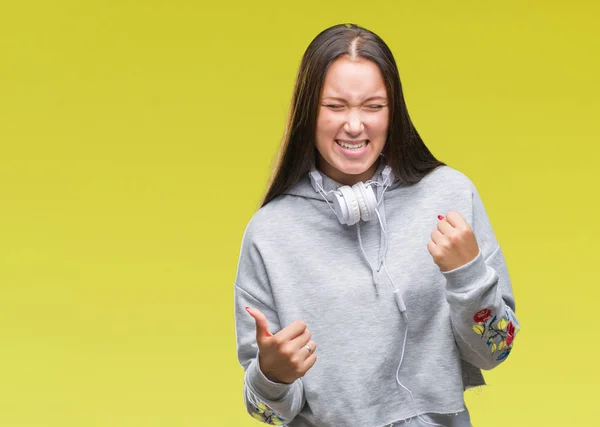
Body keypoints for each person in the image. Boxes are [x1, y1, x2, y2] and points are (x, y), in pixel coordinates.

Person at [233, 23, 519, 427]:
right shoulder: (269, 233)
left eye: (373, 106)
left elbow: (497, 350)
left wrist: (468, 275)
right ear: (307, 113)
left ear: (394, 112)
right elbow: (265, 412)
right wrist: (272, 376)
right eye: (335, 106)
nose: (354, 125)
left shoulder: (451, 197)